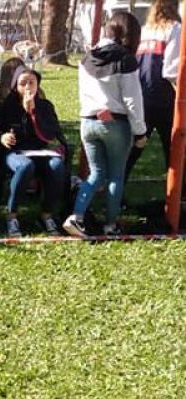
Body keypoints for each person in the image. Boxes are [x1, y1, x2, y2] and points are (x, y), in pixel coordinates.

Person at [64, 12, 146, 238]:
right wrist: (140, 131)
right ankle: (111, 226)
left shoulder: (86, 58)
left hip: (88, 122)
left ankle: (76, 217)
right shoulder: (125, 59)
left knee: (96, 174)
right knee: (115, 176)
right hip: (115, 124)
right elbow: (132, 100)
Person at [0, 68, 64, 237]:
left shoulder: (45, 106)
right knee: (25, 166)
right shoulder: (5, 106)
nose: (28, 87)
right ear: (15, 86)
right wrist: (2, 137)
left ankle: (46, 214)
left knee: (57, 166)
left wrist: (33, 113)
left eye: (32, 82)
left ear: (37, 85)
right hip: (16, 152)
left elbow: (51, 133)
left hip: (41, 151)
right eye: (23, 83)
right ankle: (12, 216)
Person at [125, 0, 181, 183]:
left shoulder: (145, 31)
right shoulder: (175, 28)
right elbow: (170, 70)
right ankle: (178, 195)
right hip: (163, 96)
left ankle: (115, 188)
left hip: (141, 95)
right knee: (175, 148)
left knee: (134, 147)